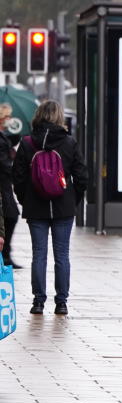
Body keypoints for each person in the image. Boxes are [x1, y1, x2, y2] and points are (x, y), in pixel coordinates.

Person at [12, 101, 87, 316]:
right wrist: (73, 200)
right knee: (62, 255)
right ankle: (61, 302)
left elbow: (18, 177)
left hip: (36, 206)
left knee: (39, 254)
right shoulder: (69, 142)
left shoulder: (27, 143)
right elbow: (82, 176)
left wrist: (25, 199)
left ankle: (38, 301)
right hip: (64, 207)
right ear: (59, 117)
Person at [0, 104, 20, 267]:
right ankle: (5, 254)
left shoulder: (3, 136)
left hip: (5, 184)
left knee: (10, 215)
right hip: (3, 183)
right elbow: (3, 162)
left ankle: (6, 253)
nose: (9, 120)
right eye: (7, 117)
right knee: (10, 215)